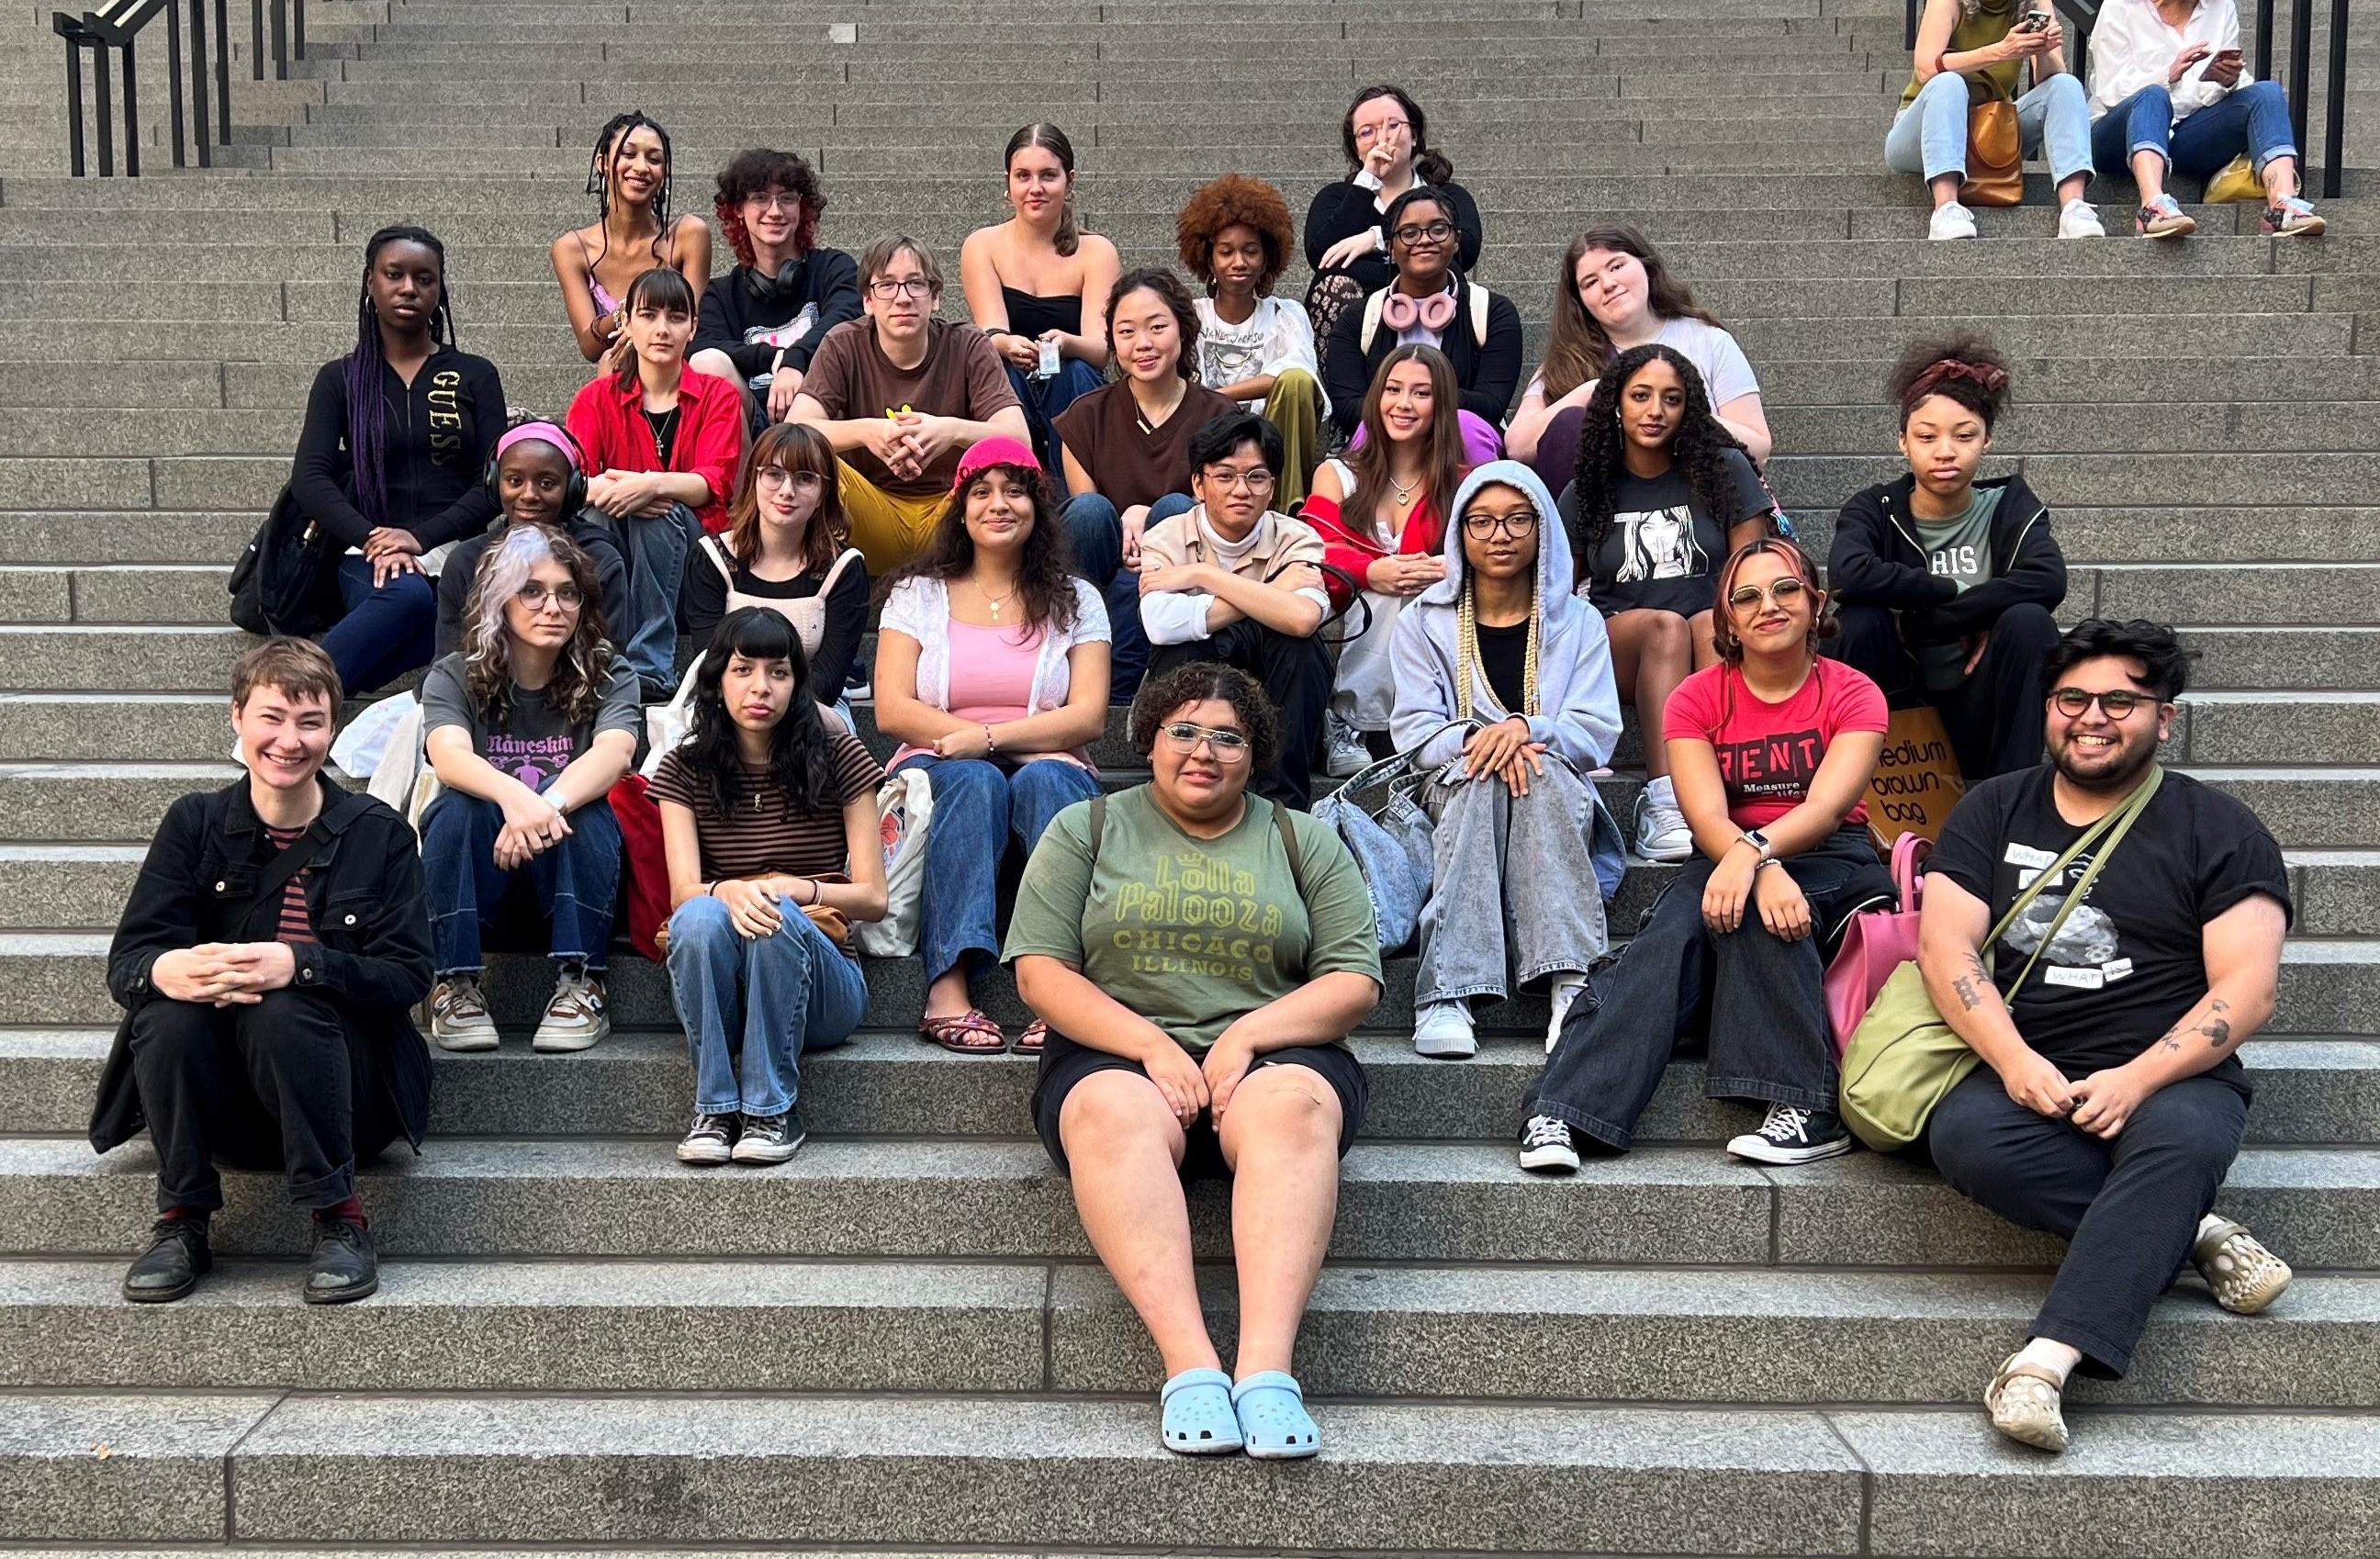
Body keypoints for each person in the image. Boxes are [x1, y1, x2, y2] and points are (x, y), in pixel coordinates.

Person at [1917, 618, 2295, 1452]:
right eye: (2073, 698)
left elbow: (2249, 991)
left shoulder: (2220, 829)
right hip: (2027, 1064)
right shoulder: (1992, 808)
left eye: (2121, 701)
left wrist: (2136, 1079)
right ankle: (2191, 1229)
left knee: (2180, 1145)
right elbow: (1944, 950)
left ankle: (2043, 1363)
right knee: (1966, 1138)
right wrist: (2014, 1061)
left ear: (2165, 718)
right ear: (2048, 709)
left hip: (2176, 1073)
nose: (2093, 717)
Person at [1006, 664, 1383, 1459]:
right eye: (1184, 729)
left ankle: (1267, 1373)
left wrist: (1247, 1037)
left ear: (1254, 753)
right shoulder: (1087, 829)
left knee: (1293, 1108)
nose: (1203, 751)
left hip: (1279, 1056)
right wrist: (1150, 1044)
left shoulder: (1302, 839)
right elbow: (1040, 973)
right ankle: (1192, 1369)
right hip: (1118, 1056)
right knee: (1111, 1111)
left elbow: (1354, 980)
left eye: (1227, 737)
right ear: (1148, 739)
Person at [1519, 538, 1892, 1172]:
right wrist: (1755, 862)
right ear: (1726, 623)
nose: (1766, 606)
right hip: (1724, 850)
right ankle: (1564, 1110)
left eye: (1785, 590)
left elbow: (1828, 808)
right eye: (1746, 597)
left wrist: (1759, 861)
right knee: (1669, 935)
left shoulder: (1855, 693)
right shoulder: (1696, 697)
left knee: (1757, 910)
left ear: (1816, 602)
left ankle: (1809, 1105)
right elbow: (1704, 816)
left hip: (1834, 856)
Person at [97, 637, 430, 1307]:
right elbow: (128, 964)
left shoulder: (379, 832)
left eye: (310, 722)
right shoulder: (194, 823)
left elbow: (408, 976)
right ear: (238, 718)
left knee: (285, 1004)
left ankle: (339, 1216)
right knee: (165, 1012)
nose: (289, 740)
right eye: (272, 718)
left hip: (343, 1098)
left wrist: (301, 964)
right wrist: (170, 970)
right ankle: (181, 1220)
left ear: (332, 730)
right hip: (218, 1101)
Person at [873, 437, 1110, 1055]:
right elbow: (894, 708)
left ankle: (1060, 986)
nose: (998, 504)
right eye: (981, 491)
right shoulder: (918, 594)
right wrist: (966, 748)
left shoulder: (1078, 600)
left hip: (1047, 758)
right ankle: (947, 985)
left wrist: (990, 737)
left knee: (1048, 782)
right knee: (976, 782)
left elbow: (1087, 716)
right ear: (960, 506)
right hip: (938, 760)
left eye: (1014, 491)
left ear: (1037, 505)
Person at [1389, 463, 1622, 1059]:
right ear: (1460, 533)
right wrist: (1480, 741)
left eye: (1519, 519)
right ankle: (1447, 990)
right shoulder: (1422, 620)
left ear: (1543, 529)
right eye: (1483, 521)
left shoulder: (1579, 622)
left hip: (1551, 782)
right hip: (1453, 784)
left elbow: (1596, 730)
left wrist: (1525, 730)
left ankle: (1572, 979)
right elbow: (1414, 732)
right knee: (1480, 777)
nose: (1500, 534)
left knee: (1534, 772)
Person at [651, 607, 887, 1167]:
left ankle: (769, 1109)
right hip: (726, 975)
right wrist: (728, 890)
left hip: (825, 983)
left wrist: (794, 889)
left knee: (772, 908)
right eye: (743, 670)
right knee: (699, 916)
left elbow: (874, 899)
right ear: (717, 681)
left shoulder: (839, 756)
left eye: (778, 672)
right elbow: (684, 890)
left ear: (797, 685)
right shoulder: (685, 770)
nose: (761, 687)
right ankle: (714, 1108)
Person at [419, 527, 637, 1055]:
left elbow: (615, 754)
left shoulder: (610, 672)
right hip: (482, 883)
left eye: (568, 592)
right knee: (453, 810)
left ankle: (582, 983)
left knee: (590, 812)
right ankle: (455, 985)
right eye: (532, 590)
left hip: (568, 884)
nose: (552, 606)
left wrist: (544, 808)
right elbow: (449, 755)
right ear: (500, 599)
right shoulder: (455, 675)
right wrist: (515, 800)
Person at [1566, 344, 1778, 861]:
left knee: (1707, 622)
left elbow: (1750, 570)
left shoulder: (1722, 471)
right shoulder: (1589, 487)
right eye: (1640, 396)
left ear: (1690, 408)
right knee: (1666, 628)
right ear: (1617, 402)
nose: (1655, 410)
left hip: (1711, 635)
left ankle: (1718, 792)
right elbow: (1555, 594)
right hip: (1623, 643)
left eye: (1671, 398)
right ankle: (1665, 802)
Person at [1828, 338, 2066, 781]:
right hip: (1899, 709)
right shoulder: (1874, 509)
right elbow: (1849, 575)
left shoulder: (2008, 504)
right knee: (1858, 620)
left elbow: (2047, 580)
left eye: (1964, 435)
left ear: (1987, 440)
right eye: (1926, 435)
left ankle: (2012, 795)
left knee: (2029, 622)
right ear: (1903, 441)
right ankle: (1858, 788)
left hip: (1981, 708)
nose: (1945, 451)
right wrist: (1957, 593)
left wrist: (1918, 623)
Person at [290, 224, 504, 697]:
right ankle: (294, 697)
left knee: (441, 624)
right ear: (371, 282)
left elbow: (493, 484)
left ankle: (307, 701)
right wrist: (374, 539)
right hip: (365, 555)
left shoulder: (475, 374)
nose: (409, 288)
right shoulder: (341, 379)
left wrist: (421, 537)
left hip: (455, 553)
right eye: (395, 274)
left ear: (439, 289)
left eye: (424, 278)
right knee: (409, 597)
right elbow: (310, 477)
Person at [791, 235, 1030, 574]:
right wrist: (868, 432)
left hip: (953, 515)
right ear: (867, 301)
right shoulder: (844, 343)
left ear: (935, 298)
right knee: (810, 460)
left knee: (1002, 467)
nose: (902, 298)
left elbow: (1020, 440)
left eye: (915, 284)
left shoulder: (969, 344)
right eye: (886, 285)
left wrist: (950, 431)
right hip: (871, 514)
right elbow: (795, 431)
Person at [1055, 268, 1239, 703]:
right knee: (1089, 512)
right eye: (1127, 331)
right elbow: (1088, 517)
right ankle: (1077, 660)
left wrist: (1149, 519)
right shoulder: (1085, 417)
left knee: (1178, 511)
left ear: (1183, 329)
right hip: (1101, 564)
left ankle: (1165, 675)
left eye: (1157, 327)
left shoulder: (1221, 416)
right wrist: (1125, 518)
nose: (1143, 343)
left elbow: (1225, 510)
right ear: (1113, 342)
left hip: (1184, 582)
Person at [1137, 413, 1334, 810]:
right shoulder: (1166, 536)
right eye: (1224, 476)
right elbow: (1159, 625)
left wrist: (1200, 576)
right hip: (1200, 674)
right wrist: (1269, 593)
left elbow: (1303, 618)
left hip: (1276, 682)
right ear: (1198, 483)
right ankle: (1178, 787)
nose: (1241, 490)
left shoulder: (1298, 538)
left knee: (1301, 646)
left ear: (1272, 487)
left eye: (1256, 477)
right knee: (1180, 646)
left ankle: (1284, 806)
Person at [566, 266, 745, 699]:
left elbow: (712, 483)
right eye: (648, 316)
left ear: (693, 327)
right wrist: (624, 491)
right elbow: (571, 482)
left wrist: (650, 485)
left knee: (659, 514)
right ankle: (596, 654)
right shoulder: (597, 398)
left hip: (697, 553)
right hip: (618, 546)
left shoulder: (718, 395)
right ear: (625, 323)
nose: (662, 329)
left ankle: (650, 667)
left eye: (676, 317)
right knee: (593, 512)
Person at [1298, 345, 1474, 778]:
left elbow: (1484, 554)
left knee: (1415, 584)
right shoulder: (1337, 473)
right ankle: (1347, 721)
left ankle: (1430, 720)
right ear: (1376, 398)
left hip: (1428, 612)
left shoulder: (1465, 483)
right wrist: (1373, 570)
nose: (1404, 404)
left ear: (1442, 404)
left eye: (1421, 393)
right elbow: (1314, 547)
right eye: (1393, 390)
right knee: (1384, 588)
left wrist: (1442, 569)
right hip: (1346, 607)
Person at [1506, 227, 1771, 488]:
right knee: (1568, 423)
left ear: (1646, 266)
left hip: (1698, 499)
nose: (1608, 285)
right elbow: (1518, 446)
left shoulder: (1709, 340)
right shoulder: (1567, 361)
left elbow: (1758, 450)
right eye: (1591, 282)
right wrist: (1596, 391)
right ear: (1580, 301)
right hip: (1605, 510)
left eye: (1617, 266)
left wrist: (1679, 410)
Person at [681, 424, 869, 728]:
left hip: (814, 709)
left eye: (805, 478)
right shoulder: (712, 559)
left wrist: (772, 708)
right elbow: (711, 663)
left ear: (823, 493)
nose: (787, 490)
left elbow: (829, 680)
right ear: (753, 479)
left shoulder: (844, 568)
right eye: (773, 474)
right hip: (727, 704)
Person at [2086, 0, 2326, 236]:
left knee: (2267, 93)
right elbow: (2110, 91)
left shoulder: (2221, 7)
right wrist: (2166, 76)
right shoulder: (2120, 7)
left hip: (2186, 133)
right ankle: (2152, 207)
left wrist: (2228, 80)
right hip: (2117, 136)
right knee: (2153, 95)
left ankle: (2283, 205)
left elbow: (2216, 91)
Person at [961, 124, 1121, 473]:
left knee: (1075, 371)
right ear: (1008, 182)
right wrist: (1007, 344)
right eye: (1023, 176)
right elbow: (989, 333)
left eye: (1048, 175)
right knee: (1001, 370)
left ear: (1070, 180)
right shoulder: (982, 245)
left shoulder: (1097, 252)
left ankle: (1071, 496)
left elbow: (1100, 349)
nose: (1035, 188)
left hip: (1075, 388)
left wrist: (1065, 343)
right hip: (1012, 381)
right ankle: (1014, 484)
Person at [1304, 84, 1482, 396]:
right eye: (1366, 132)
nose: (1381, 138)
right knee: (1333, 287)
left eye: (1393, 125)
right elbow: (1323, 258)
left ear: (1414, 136)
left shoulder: (1449, 196)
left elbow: (1463, 252)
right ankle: (1346, 412)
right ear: (1356, 148)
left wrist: (1376, 238)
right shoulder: (1337, 198)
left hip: (1433, 305)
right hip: (1361, 317)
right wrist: (1367, 181)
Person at [1889, 0, 2104, 241]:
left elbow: (2051, 75)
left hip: (1992, 133)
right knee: (1948, 82)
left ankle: (2074, 207)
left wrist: (2043, 50)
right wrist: (2001, 51)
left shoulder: (2034, 2)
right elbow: (1926, 68)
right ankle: (1945, 208)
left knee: (2065, 85)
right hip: (1923, 132)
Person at [1174, 174, 1329, 506]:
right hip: (1207, 439)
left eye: (1250, 251)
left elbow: (1298, 374)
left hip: (1274, 442)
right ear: (1208, 259)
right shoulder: (1190, 316)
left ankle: (1288, 509)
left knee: (1297, 383)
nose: (1239, 262)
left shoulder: (1286, 315)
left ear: (1266, 258)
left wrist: (1219, 395)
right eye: (1226, 252)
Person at [1323, 186, 1522, 440]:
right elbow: (1349, 408)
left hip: (1459, 442)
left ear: (1456, 239)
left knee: (1470, 427)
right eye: (1409, 233)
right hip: (1386, 444)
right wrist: (1416, 412)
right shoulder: (1358, 319)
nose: (1425, 240)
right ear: (1390, 247)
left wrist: (1410, 405)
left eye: (1438, 229)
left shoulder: (1493, 312)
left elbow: (1491, 405)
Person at [690, 148, 863, 425]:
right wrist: (776, 359)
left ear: (801, 208)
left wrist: (797, 358)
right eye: (760, 198)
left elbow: (846, 318)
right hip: (756, 425)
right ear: (738, 210)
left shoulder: (833, 268)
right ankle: (740, 470)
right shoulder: (721, 295)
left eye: (787, 199)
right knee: (706, 362)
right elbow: (701, 347)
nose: (775, 211)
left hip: (821, 420)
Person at [433, 421, 631, 659]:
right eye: (515, 481)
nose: (529, 495)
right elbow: (447, 661)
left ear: (572, 489)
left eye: (547, 483)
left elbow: (608, 660)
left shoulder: (600, 559)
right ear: (494, 483)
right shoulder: (465, 561)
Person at [554, 110, 713, 366]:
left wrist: (639, 326)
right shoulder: (573, 249)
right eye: (628, 154)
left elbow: (690, 327)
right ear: (602, 163)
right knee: (610, 359)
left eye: (654, 159)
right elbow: (590, 346)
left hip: (676, 366)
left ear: (664, 173)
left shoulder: (688, 234)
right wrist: (628, 315)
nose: (641, 167)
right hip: (617, 370)